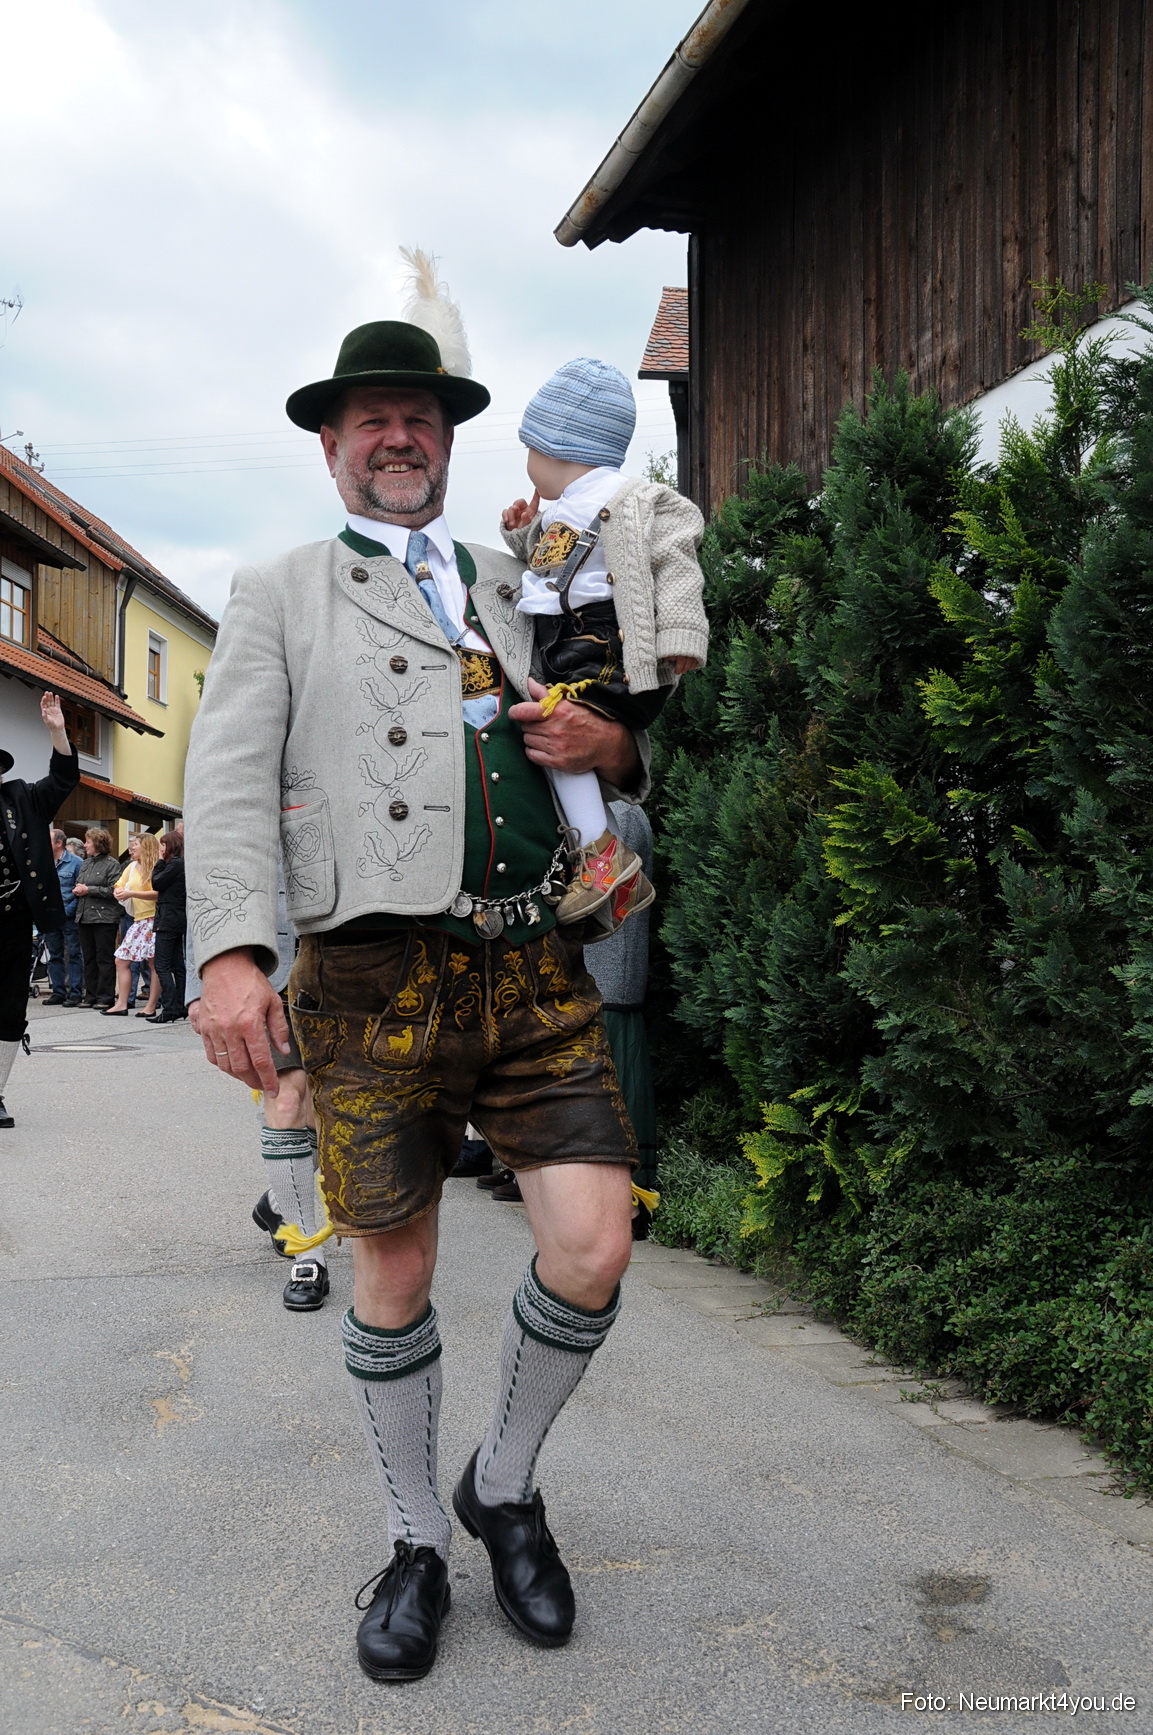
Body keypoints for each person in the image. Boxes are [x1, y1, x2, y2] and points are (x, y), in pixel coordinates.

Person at [185, 277, 647, 1684]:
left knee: (595, 1234)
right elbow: (225, 778)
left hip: (531, 951)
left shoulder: (524, 576)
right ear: (330, 443)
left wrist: (607, 749)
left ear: (448, 441)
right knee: (391, 1263)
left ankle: (498, 1484)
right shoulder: (278, 589)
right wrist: (228, 949)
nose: (398, 435)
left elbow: (621, 738)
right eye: (371, 417)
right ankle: (413, 1542)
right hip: (372, 970)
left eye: (420, 417)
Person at [500, 358, 707, 928]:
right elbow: (551, 572)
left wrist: (682, 633)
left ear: (559, 448)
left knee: (554, 728)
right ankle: (606, 865)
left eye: (530, 448)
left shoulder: (639, 499)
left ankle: (601, 856)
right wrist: (523, 535)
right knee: (556, 732)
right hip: (568, 640)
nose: (526, 461)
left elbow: (677, 563)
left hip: (608, 647)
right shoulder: (565, 510)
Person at [185, 857, 330, 1311]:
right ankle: (308, 1252)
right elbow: (212, 877)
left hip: (358, 961)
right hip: (269, 971)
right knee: (287, 1097)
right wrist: (201, 983)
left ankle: (278, 1199)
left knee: (336, 1112)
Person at [0, 693, 79, 1126]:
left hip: (12, 922)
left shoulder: (23, 800)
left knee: (10, 1008)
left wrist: (57, 732)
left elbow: (63, 780)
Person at [104, 833, 161, 1017]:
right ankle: (122, 1003)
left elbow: (158, 893)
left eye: (135, 844)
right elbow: (118, 885)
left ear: (146, 846)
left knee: (153, 963)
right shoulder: (131, 866)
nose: (132, 848)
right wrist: (119, 892)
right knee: (121, 960)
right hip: (138, 919)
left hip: (153, 918)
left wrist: (131, 894)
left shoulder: (157, 866)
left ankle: (151, 1006)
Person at [73, 829, 124, 1008]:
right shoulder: (85, 864)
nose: (85, 845)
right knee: (88, 958)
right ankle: (91, 995)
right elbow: (81, 883)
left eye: (87, 842)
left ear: (97, 843)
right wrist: (78, 889)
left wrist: (89, 890)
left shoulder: (112, 864)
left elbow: (113, 890)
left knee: (104, 958)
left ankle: (105, 997)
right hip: (85, 915)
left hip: (104, 918)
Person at [149, 829, 188, 1023]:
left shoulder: (173, 864)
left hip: (168, 919)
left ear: (170, 846)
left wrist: (159, 861)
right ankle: (181, 1006)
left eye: (163, 845)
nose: (161, 849)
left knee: (162, 965)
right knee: (177, 966)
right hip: (176, 918)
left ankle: (171, 1007)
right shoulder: (180, 864)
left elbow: (156, 883)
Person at [44, 828, 84, 1006]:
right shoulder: (44, 862)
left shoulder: (76, 863)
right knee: (54, 955)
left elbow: (80, 892)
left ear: (58, 843)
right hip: (50, 916)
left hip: (68, 916)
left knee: (74, 954)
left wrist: (68, 911)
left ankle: (75, 992)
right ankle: (58, 992)